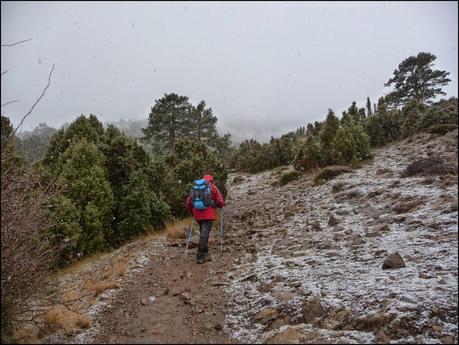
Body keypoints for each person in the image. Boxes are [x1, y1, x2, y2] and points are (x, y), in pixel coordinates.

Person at [186, 174, 225, 264]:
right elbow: (220, 202)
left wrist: (190, 210)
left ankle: (205, 252)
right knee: (204, 234)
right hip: (208, 215)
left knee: (203, 232)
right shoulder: (213, 187)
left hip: (197, 214)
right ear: (212, 180)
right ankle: (200, 255)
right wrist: (218, 205)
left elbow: (189, 201)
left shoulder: (196, 187)